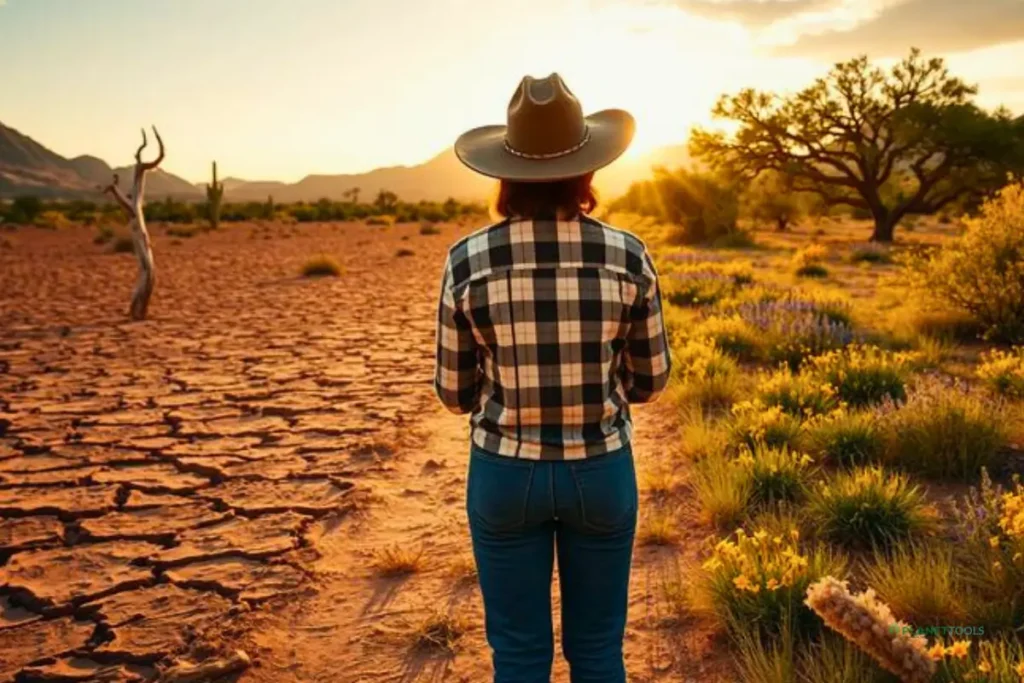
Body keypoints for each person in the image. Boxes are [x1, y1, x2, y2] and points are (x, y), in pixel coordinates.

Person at [433, 72, 672, 683]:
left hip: (504, 475)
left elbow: (454, 394)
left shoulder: (466, 259)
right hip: (601, 469)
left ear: (505, 175)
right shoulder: (628, 253)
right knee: (597, 652)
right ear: (588, 174)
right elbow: (650, 381)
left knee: (517, 654)